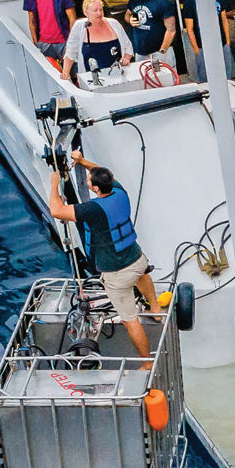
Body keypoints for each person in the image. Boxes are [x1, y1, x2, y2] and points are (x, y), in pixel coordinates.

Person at [46, 153, 158, 359]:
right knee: (142, 274)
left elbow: (57, 211)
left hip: (117, 274)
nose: (87, 179)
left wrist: (54, 184)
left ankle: (146, 362)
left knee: (129, 320)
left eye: (89, 180)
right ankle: (155, 307)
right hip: (137, 257)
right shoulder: (119, 192)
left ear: (96, 189)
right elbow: (102, 172)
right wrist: (82, 162)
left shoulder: (93, 209)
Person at [62, 0, 133, 84]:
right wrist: (65, 72)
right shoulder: (79, 26)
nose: (99, 13)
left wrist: (126, 58)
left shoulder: (114, 23)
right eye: (95, 10)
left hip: (117, 77)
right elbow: (70, 52)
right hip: (90, 80)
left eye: (101, 10)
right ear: (86, 12)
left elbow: (128, 47)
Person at [121, 0, 178, 68]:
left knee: (165, 81)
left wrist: (162, 51)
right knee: (145, 80)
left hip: (159, 52)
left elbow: (171, 30)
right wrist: (130, 20)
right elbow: (127, 14)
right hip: (141, 53)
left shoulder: (162, 2)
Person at [23, 0, 76, 71]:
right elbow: (32, 21)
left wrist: (71, 41)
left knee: (72, 72)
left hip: (63, 41)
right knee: (50, 73)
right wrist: (36, 43)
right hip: (43, 43)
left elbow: (72, 18)